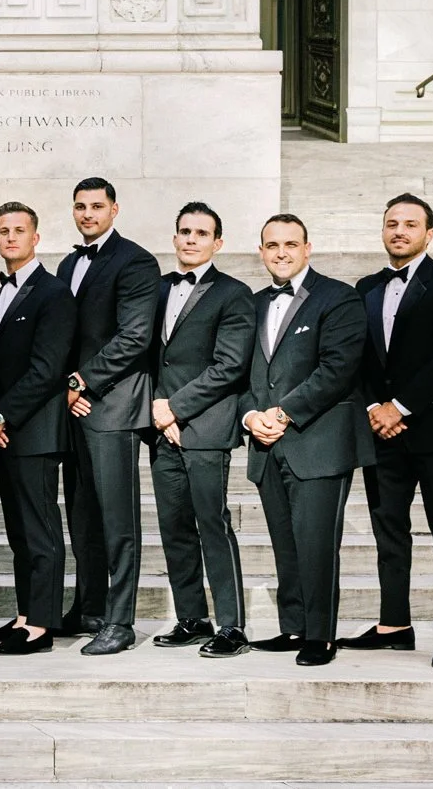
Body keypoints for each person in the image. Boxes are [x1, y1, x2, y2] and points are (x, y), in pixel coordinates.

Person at [344, 192, 433, 669]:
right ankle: (394, 624)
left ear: (428, 233)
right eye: (391, 223)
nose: (399, 231)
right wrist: (373, 410)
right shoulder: (364, 287)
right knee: (389, 532)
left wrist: (399, 407)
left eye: (409, 224)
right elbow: (355, 357)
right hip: (381, 434)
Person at [242, 212, 371, 667]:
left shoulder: (338, 297)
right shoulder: (252, 303)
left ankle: (321, 635)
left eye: (290, 244)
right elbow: (241, 375)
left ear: (307, 248)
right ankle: (293, 626)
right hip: (265, 443)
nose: (281, 253)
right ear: (261, 251)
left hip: (318, 443)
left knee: (316, 542)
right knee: (285, 542)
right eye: (272, 245)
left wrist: (283, 412)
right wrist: (251, 415)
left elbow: (337, 369)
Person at [146, 201, 256, 658]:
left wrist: (176, 410)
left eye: (201, 233)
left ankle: (231, 626)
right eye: (184, 232)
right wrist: (157, 409)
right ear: (174, 238)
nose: (191, 239)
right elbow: (149, 354)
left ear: (218, 242)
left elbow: (229, 367)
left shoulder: (234, 293)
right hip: (160, 428)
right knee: (173, 527)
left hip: (206, 427)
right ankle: (192, 617)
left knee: (212, 523)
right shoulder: (156, 289)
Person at [56, 176, 160, 655]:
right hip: (73, 408)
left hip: (114, 406)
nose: (87, 214)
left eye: (96, 206)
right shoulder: (66, 263)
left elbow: (135, 337)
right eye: (80, 206)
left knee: (118, 520)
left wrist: (84, 381)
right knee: (82, 515)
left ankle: (120, 621)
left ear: (114, 210)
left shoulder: (136, 261)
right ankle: (90, 606)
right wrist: (66, 387)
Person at [0, 202, 73, 656]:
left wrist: (1, 415)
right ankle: (23, 614)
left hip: (34, 431)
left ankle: (40, 625)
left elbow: (47, 369)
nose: (11, 237)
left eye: (19, 230)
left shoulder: (53, 293)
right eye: (3, 231)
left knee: (39, 530)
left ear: (36, 238)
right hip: (4, 432)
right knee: (18, 530)